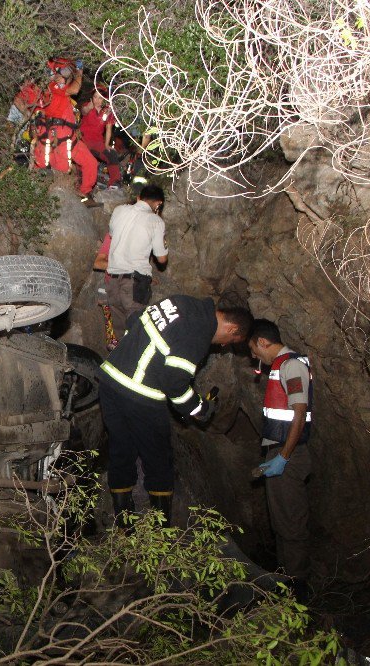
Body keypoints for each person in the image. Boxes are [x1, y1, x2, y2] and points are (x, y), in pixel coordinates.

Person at [98, 296, 254, 527]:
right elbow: (174, 384)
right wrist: (200, 408)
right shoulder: (197, 333)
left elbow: (134, 320)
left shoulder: (181, 302)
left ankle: (124, 521)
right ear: (231, 328)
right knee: (159, 460)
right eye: (230, 340)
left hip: (110, 381)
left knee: (121, 447)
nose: (223, 345)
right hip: (140, 395)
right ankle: (161, 529)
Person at [248, 319, 313, 598]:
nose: (254, 356)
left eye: (253, 350)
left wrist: (283, 457)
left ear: (263, 342)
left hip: (291, 454)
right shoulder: (280, 367)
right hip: (280, 451)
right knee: (282, 523)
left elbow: (299, 412)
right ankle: (285, 582)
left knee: (291, 525)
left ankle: (298, 592)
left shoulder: (291, 365)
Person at [31, 59, 102, 208]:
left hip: (70, 136)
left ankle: (83, 193)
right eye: (60, 73)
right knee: (62, 173)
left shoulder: (56, 90)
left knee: (91, 163)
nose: (61, 76)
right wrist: (79, 73)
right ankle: (60, 206)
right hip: (61, 137)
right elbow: (75, 89)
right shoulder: (53, 87)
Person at [104, 184, 167, 340]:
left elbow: (112, 234)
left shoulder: (119, 210)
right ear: (158, 203)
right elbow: (161, 258)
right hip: (134, 283)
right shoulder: (156, 221)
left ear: (139, 197)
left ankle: (119, 360)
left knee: (118, 332)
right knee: (136, 331)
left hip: (112, 281)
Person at [80, 85, 122, 189]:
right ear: (92, 98)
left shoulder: (107, 111)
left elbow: (108, 129)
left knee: (111, 153)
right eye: (95, 97)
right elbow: (83, 111)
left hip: (97, 143)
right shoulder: (88, 106)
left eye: (100, 98)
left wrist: (107, 144)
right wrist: (88, 108)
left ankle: (114, 184)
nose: (97, 100)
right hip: (84, 141)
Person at [92, 234, 119, 351]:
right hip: (113, 287)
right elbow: (98, 263)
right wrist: (125, 267)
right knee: (113, 343)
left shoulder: (144, 235)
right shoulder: (113, 235)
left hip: (132, 290)